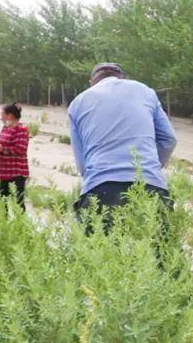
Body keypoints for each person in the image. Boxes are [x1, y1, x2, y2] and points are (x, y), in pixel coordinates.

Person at [69, 63, 178, 226]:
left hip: (100, 188)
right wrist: (147, 169)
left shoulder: (78, 102)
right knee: (157, 250)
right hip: (150, 186)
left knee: (96, 250)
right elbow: (169, 139)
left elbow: (83, 165)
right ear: (122, 78)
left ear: (91, 82)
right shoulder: (145, 91)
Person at [0, 103, 30, 210]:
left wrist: (3, 149)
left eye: (3, 113)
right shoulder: (5, 129)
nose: (1, 116)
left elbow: (21, 149)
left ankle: (21, 225)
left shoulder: (21, 130)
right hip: (4, 173)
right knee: (2, 203)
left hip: (17, 173)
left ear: (10, 115)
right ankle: (4, 225)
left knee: (18, 204)